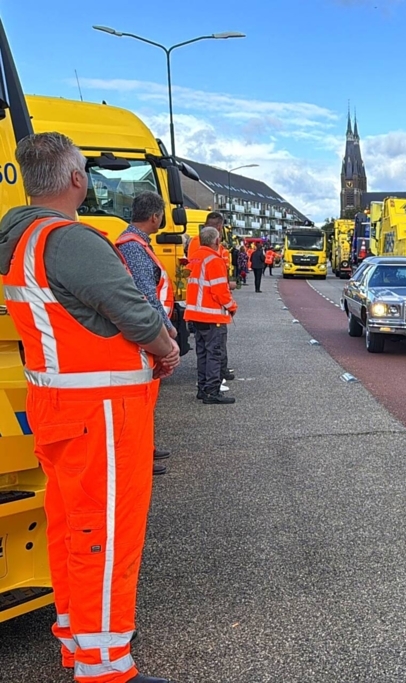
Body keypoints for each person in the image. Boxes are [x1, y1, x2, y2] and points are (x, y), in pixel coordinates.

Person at [0, 131, 178, 683]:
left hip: (60, 405)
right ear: (77, 178)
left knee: (72, 531)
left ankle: (78, 643)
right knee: (107, 537)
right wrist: (167, 348)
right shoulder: (69, 239)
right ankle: (104, 669)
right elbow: (135, 313)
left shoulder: (19, 237)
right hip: (102, 412)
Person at [115, 191, 177, 476]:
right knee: (140, 400)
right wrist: (166, 327)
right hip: (145, 333)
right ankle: (140, 455)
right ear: (155, 216)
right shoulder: (134, 247)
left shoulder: (134, 243)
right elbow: (145, 294)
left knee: (147, 399)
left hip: (144, 331)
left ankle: (146, 448)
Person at [185, 227, 237, 404]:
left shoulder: (195, 257)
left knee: (202, 354)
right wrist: (232, 306)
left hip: (196, 314)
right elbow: (220, 292)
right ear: (217, 241)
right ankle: (212, 392)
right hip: (212, 316)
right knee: (214, 354)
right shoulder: (214, 260)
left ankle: (202, 388)